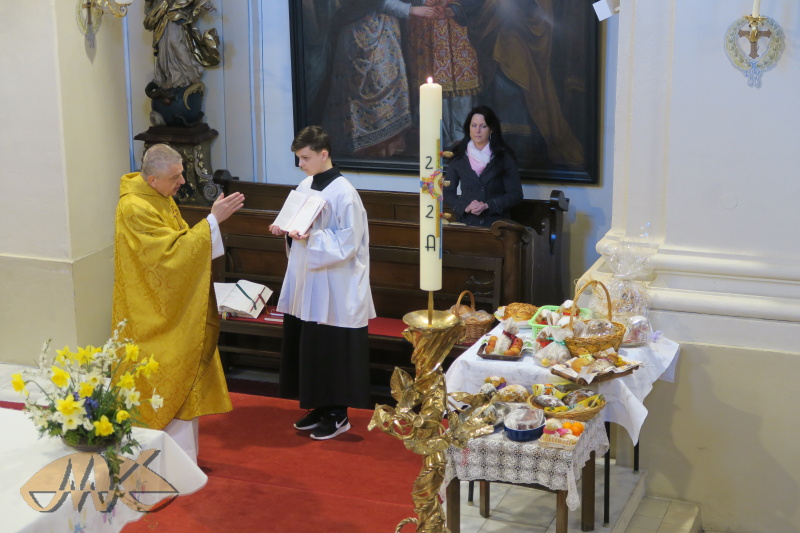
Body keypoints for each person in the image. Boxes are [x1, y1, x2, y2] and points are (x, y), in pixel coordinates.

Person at [112, 143, 244, 462]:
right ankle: (154, 460)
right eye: (176, 176)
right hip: (150, 315)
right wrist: (212, 222)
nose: (182, 182)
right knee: (161, 374)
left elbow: (180, 243)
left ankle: (182, 461)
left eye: (182, 173)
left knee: (184, 365)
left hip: (169, 305)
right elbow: (166, 257)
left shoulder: (162, 197)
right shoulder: (134, 207)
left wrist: (210, 226)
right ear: (152, 179)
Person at [270, 126, 375, 440]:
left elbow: (349, 243)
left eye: (305, 157)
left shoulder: (345, 193)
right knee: (311, 345)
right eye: (299, 158)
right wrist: (284, 228)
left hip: (336, 287)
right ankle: (317, 406)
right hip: (308, 281)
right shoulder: (305, 184)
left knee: (332, 348)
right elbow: (295, 223)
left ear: (324, 154)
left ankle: (338, 414)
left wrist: (310, 235)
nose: (300, 164)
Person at [443, 106, 523, 227]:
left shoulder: (504, 156)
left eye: (483, 126)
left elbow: (515, 195)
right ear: (468, 128)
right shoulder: (458, 156)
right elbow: (447, 192)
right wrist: (466, 206)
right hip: (466, 223)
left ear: (491, 129)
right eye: (474, 125)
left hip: (496, 224)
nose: (477, 130)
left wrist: (488, 205)